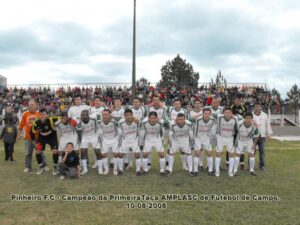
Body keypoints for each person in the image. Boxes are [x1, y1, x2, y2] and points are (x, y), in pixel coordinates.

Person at [17, 100, 46, 173]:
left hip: (38, 138)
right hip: (28, 138)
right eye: (30, 105)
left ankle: (44, 166)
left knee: (41, 152)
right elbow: (21, 125)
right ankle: (27, 167)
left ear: (36, 105)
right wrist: (18, 135)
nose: (31, 106)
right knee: (28, 153)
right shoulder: (25, 114)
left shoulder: (39, 114)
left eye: (32, 105)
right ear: (28, 106)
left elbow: (44, 124)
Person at [30, 108, 60, 175]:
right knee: (37, 151)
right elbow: (32, 132)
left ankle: (55, 167)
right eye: (41, 115)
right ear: (39, 115)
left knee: (55, 150)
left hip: (52, 137)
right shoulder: (36, 123)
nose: (42, 116)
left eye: (43, 114)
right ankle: (41, 167)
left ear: (46, 115)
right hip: (42, 138)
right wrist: (34, 140)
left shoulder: (52, 119)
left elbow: (62, 118)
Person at [139, 111, 168, 176]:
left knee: (162, 154)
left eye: (154, 118)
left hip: (157, 139)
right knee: (145, 154)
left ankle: (162, 170)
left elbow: (168, 123)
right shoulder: (144, 123)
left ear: (156, 118)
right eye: (151, 118)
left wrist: (161, 119)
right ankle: (145, 170)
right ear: (148, 118)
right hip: (148, 139)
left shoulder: (160, 122)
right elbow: (139, 124)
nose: (152, 119)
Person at [215, 107, 238, 177]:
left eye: (229, 113)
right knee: (218, 153)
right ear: (223, 113)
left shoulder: (235, 119)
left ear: (231, 114)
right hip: (220, 137)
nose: (227, 114)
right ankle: (217, 171)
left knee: (231, 154)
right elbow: (210, 113)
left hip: (230, 138)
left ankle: (230, 171)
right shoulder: (219, 117)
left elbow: (242, 118)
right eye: (226, 113)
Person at [76, 110, 100, 175]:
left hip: (94, 136)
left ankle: (100, 168)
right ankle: (85, 169)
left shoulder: (94, 120)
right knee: (83, 152)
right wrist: (80, 142)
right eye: (82, 115)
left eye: (84, 115)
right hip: (85, 137)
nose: (83, 116)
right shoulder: (79, 123)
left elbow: (99, 126)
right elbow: (79, 133)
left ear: (88, 115)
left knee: (97, 151)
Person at [193, 108, 215, 176]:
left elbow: (220, 116)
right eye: (205, 113)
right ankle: (195, 170)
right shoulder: (198, 119)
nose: (207, 115)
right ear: (203, 114)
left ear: (210, 114)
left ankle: (210, 170)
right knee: (197, 153)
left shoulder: (212, 120)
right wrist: (197, 115)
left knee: (209, 153)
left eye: (208, 114)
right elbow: (190, 119)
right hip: (198, 138)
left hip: (206, 138)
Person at [118, 109, 140, 175]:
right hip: (125, 141)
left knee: (137, 155)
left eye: (129, 115)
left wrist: (133, 118)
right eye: (126, 115)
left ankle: (138, 171)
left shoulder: (136, 121)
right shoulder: (121, 122)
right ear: (124, 116)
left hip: (134, 140)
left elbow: (139, 121)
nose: (128, 116)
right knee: (120, 155)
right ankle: (120, 170)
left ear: (132, 115)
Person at [252, 101, 273, 170]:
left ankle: (262, 165)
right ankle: (251, 165)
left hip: (262, 136)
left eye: (258, 107)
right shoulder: (251, 115)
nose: (257, 108)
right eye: (256, 107)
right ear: (254, 107)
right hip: (253, 136)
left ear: (261, 107)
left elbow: (268, 125)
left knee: (262, 151)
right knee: (252, 151)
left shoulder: (265, 115)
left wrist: (269, 133)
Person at [99, 109, 119, 175]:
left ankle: (115, 169)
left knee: (115, 154)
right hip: (105, 140)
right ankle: (106, 169)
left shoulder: (115, 122)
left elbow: (122, 120)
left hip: (114, 139)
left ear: (109, 115)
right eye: (103, 114)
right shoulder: (99, 122)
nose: (105, 116)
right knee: (103, 155)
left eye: (106, 114)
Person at [231, 93, 248, 170]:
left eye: (239, 99)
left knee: (241, 146)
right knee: (231, 146)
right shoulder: (231, 107)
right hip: (232, 130)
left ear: (241, 100)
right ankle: (228, 162)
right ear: (234, 99)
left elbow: (246, 117)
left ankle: (242, 163)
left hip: (241, 130)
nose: (238, 101)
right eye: (237, 99)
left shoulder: (244, 107)